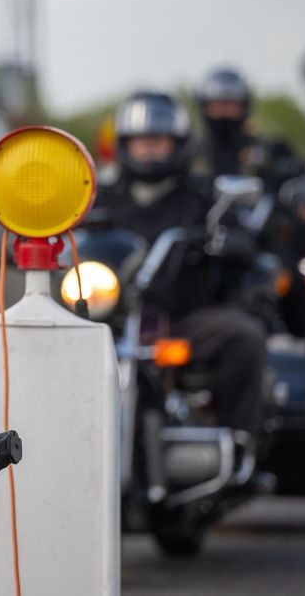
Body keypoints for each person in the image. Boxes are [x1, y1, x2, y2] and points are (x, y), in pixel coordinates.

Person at [93, 91, 266, 447]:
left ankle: (239, 440)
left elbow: (241, 234)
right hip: (108, 319)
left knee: (243, 336)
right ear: (124, 145)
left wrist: (232, 241)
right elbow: (64, 230)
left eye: (157, 141)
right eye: (140, 141)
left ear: (179, 145)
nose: (148, 150)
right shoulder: (98, 195)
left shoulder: (203, 196)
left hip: (182, 318)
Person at [194, 67, 305, 335]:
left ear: (243, 106)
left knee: (289, 276)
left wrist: (291, 175)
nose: (224, 111)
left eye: (230, 104)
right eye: (218, 105)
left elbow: (296, 181)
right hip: (206, 241)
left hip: (261, 241)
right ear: (205, 107)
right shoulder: (193, 153)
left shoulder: (267, 150)